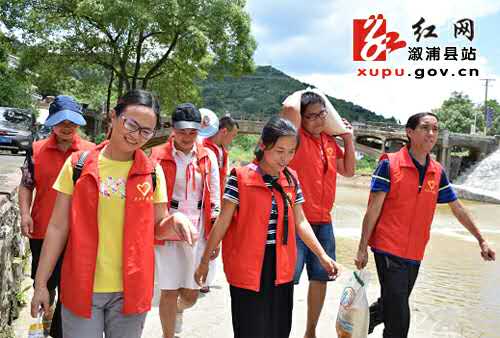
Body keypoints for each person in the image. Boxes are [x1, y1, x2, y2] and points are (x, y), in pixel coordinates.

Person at [30, 89, 196, 338]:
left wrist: (176, 220)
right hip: (82, 285)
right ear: (113, 117)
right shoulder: (78, 164)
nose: (136, 135)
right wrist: (41, 284)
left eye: (145, 131)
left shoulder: (151, 172)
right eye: (131, 124)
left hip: (131, 289)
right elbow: (57, 228)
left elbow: (158, 226)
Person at [194, 116, 341, 338]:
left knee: (279, 327)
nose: (286, 158)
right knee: (250, 328)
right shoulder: (241, 178)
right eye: (279, 151)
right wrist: (204, 261)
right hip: (248, 264)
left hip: (281, 263)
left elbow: (300, 221)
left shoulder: (291, 179)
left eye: (291, 152)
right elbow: (223, 221)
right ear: (264, 145)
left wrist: (322, 255)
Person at [355, 112, 496, 338]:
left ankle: (361, 321)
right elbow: (373, 209)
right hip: (388, 248)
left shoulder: (436, 171)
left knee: (394, 303)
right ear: (409, 133)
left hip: (415, 251)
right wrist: (362, 248)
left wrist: (481, 240)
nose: (431, 133)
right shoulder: (389, 165)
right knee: (399, 319)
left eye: (435, 129)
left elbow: (457, 207)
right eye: (425, 128)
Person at [19, 95, 95, 337]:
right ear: (52, 122)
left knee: (71, 288)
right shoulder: (36, 150)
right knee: (44, 284)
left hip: (78, 234)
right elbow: (26, 184)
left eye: (72, 122)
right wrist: (24, 214)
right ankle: (45, 322)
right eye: (61, 121)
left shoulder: (90, 153)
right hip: (42, 230)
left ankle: (60, 332)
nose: (67, 126)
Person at [287, 91, 355, 338]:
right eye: (311, 116)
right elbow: (289, 108)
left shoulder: (329, 142)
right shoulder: (295, 139)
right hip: (296, 222)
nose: (317, 120)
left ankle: (310, 331)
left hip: (324, 222)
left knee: (320, 279)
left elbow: (348, 170)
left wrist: (348, 138)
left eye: (321, 114)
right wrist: (303, 91)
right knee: (287, 280)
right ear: (301, 119)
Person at [151, 103, 220, 338]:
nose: (187, 137)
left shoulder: (208, 156)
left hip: (198, 230)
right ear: (173, 129)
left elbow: (215, 198)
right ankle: (168, 334)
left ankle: (179, 310)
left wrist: (215, 236)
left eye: (192, 132)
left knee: (191, 294)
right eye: (182, 131)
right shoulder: (158, 156)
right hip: (168, 226)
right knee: (169, 289)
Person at [199, 111, 239, 292]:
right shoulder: (205, 148)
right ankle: (202, 279)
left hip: (221, 201)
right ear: (223, 131)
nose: (232, 140)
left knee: (215, 238)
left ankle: (206, 279)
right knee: (207, 237)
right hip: (208, 203)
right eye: (232, 135)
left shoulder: (222, 151)